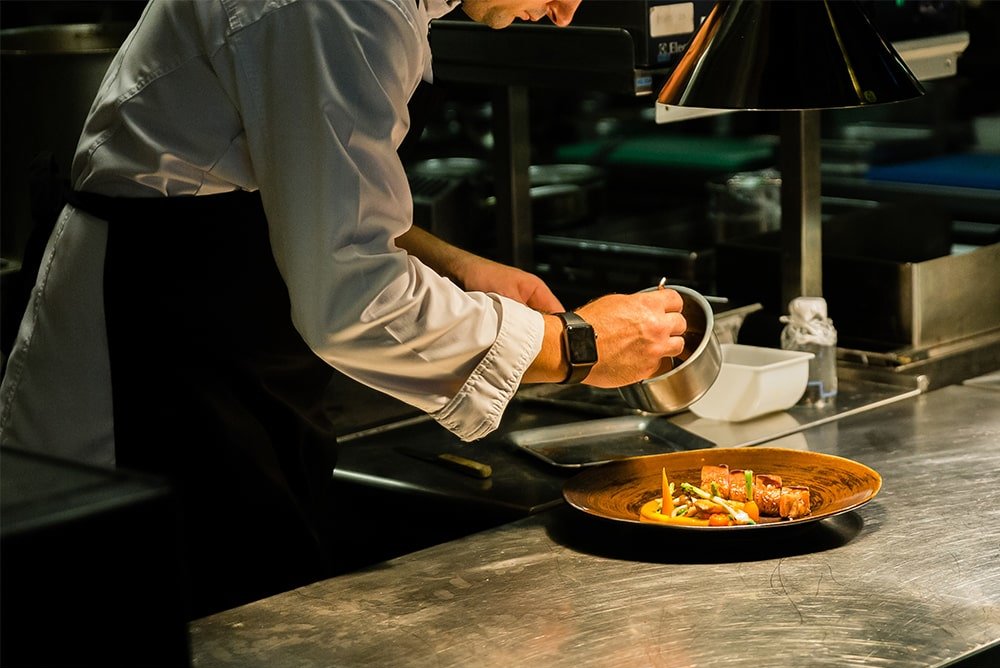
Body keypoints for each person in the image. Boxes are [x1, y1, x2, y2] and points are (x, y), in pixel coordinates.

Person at [0, 0, 686, 617]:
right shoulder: (338, 8)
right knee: (160, 615)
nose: (566, 13)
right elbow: (357, 298)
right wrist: (574, 346)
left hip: (222, 339)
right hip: (145, 367)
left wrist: (452, 265)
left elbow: (294, 186)